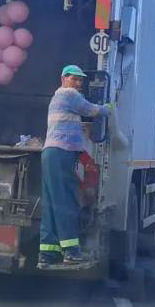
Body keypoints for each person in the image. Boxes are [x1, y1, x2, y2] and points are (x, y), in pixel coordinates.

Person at [38, 65, 109, 270]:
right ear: (63, 79)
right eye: (74, 79)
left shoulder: (59, 97)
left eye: (80, 81)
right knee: (65, 201)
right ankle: (71, 251)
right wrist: (109, 109)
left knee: (51, 203)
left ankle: (47, 253)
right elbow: (92, 110)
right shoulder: (68, 95)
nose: (78, 84)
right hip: (61, 153)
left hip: (52, 153)